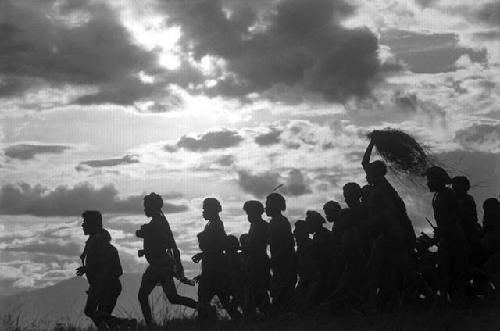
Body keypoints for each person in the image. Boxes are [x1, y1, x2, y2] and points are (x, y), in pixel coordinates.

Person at [136, 193, 197, 327]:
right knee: (171, 298)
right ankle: (203, 309)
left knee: (148, 296)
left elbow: (170, 244)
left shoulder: (159, 223)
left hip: (161, 266)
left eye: (147, 206)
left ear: (153, 207)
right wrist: (145, 250)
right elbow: (159, 243)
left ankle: (203, 309)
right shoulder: (157, 223)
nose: (145, 209)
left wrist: (179, 266)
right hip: (159, 265)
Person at [77, 211, 135, 330]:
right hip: (105, 285)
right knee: (98, 315)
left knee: (93, 312)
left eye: (85, 222)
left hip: (105, 285)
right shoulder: (95, 240)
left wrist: (87, 269)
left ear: (93, 224)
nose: (83, 225)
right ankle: (125, 324)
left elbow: (103, 262)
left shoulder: (97, 241)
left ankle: (127, 323)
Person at [193, 198, 242, 320]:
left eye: (205, 209)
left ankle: (207, 323)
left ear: (212, 210)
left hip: (214, 269)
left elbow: (218, 246)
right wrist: (202, 254)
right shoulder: (211, 224)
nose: (203, 212)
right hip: (211, 268)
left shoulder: (216, 225)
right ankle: (240, 321)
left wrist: (202, 254)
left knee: (207, 300)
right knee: (220, 300)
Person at [424, 166, 468, 302]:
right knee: (444, 269)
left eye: (430, 179)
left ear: (438, 180)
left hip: (453, 236)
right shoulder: (439, 195)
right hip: (446, 236)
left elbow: (457, 213)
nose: (428, 182)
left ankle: (456, 299)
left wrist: (445, 227)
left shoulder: (448, 194)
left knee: (455, 270)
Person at [266, 193, 297, 314]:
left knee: (283, 294)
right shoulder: (274, 222)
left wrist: (275, 259)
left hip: (285, 264)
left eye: (268, 205)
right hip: (279, 264)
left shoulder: (281, 222)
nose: (266, 208)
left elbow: (289, 244)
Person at [243, 200, 271, 316]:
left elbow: (257, 246)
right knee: (254, 293)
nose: (248, 216)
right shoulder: (254, 226)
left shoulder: (263, 226)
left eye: (250, 213)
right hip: (253, 263)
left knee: (259, 292)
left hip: (259, 263)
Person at [305, 210, 330, 305]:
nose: (307, 226)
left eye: (309, 223)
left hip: (324, 269)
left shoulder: (322, 235)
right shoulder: (319, 235)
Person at [293, 220, 317, 312]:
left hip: (310, 279)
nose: (294, 232)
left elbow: (311, 264)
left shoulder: (309, 245)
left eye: (298, 230)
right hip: (304, 278)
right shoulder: (302, 246)